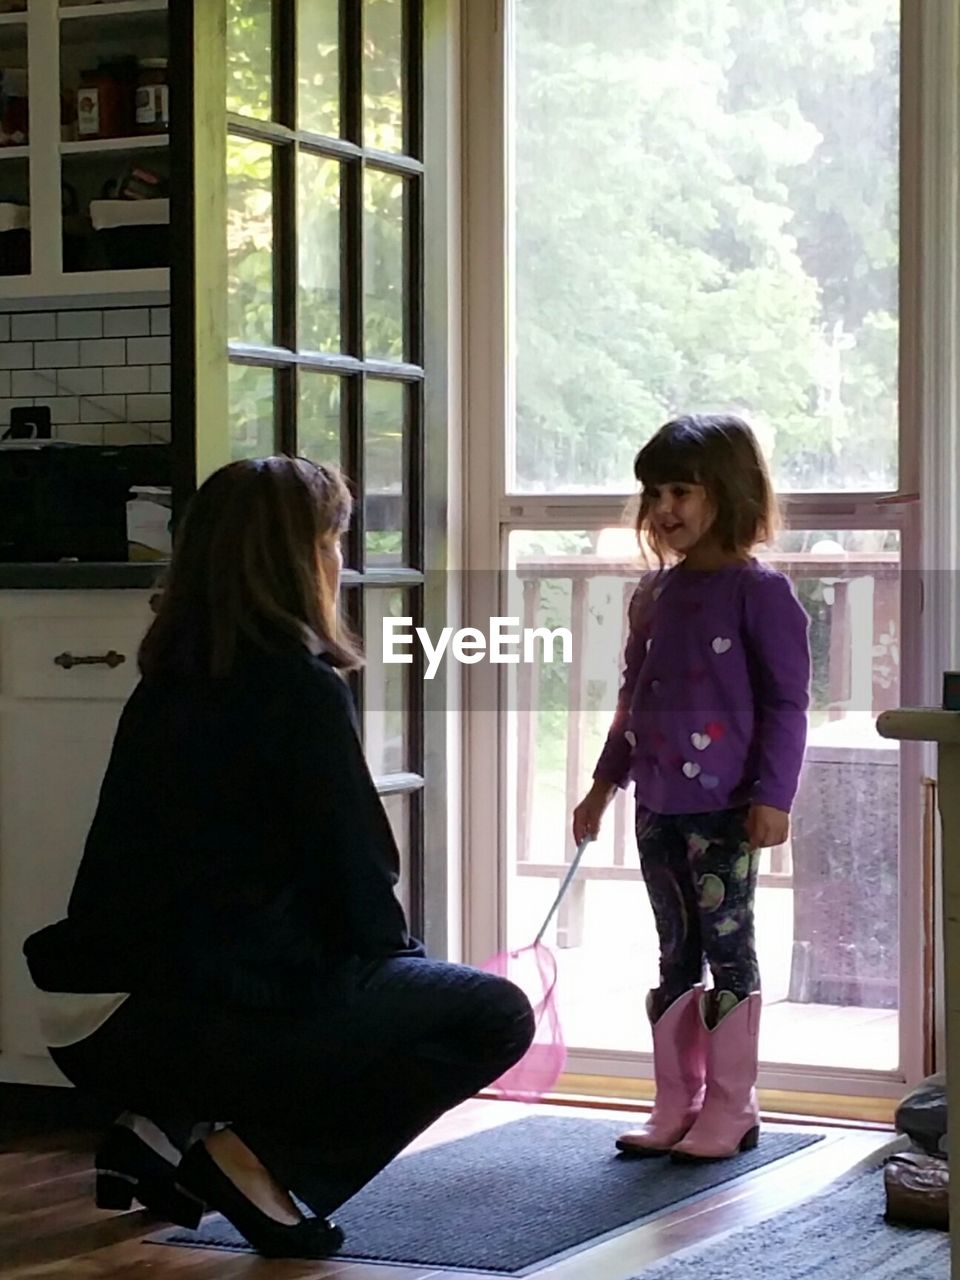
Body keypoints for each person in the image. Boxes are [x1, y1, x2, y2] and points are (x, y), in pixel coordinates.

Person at [23, 456, 535, 1260]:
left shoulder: (172, 675)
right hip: (174, 1015)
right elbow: (361, 884)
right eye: (333, 540)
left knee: (325, 970)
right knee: (489, 1014)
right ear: (300, 559)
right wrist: (397, 985)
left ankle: (154, 1134)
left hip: (90, 1009)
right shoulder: (296, 688)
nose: (342, 560)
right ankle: (256, 1164)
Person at [573, 414, 811, 1162]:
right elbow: (633, 699)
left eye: (681, 490)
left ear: (728, 493)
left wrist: (774, 795)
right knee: (673, 952)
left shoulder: (759, 594)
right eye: (654, 492)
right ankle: (675, 1102)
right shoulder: (655, 594)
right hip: (657, 807)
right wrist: (601, 785)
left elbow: (786, 703)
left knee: (729, 948)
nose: (664, 507)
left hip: (727, 810)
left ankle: (732, 1108)